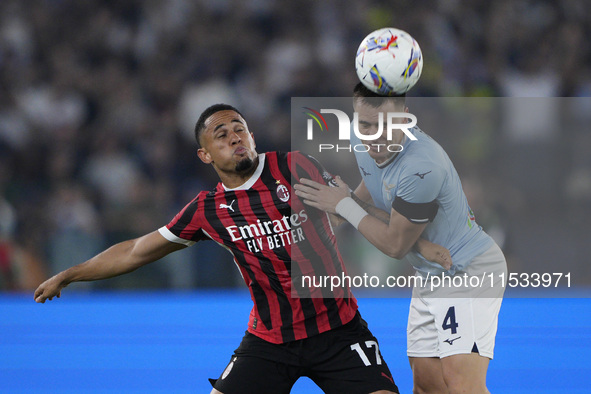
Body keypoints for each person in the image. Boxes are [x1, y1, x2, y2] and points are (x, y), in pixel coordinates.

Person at [35, 103, 451, 394]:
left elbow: (347, 208)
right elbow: (136, 251)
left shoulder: (295, 167)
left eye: (240, 129)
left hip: (339, 331)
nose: (235, 137)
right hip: (269, 341)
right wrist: (69, 274)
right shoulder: (207, 210)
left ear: (252, 136)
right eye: (222, 134)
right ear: (204, 154)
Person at [294, 84, 507, 394]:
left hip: (466, 269)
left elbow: (395, 244)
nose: (374, 134)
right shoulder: (360, 136)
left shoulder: (422, 167)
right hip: (429, 273)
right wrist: (349, 201)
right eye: (366, 124)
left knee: (463, 385)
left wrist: (343, 205)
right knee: (426, 385)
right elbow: (374, 181)